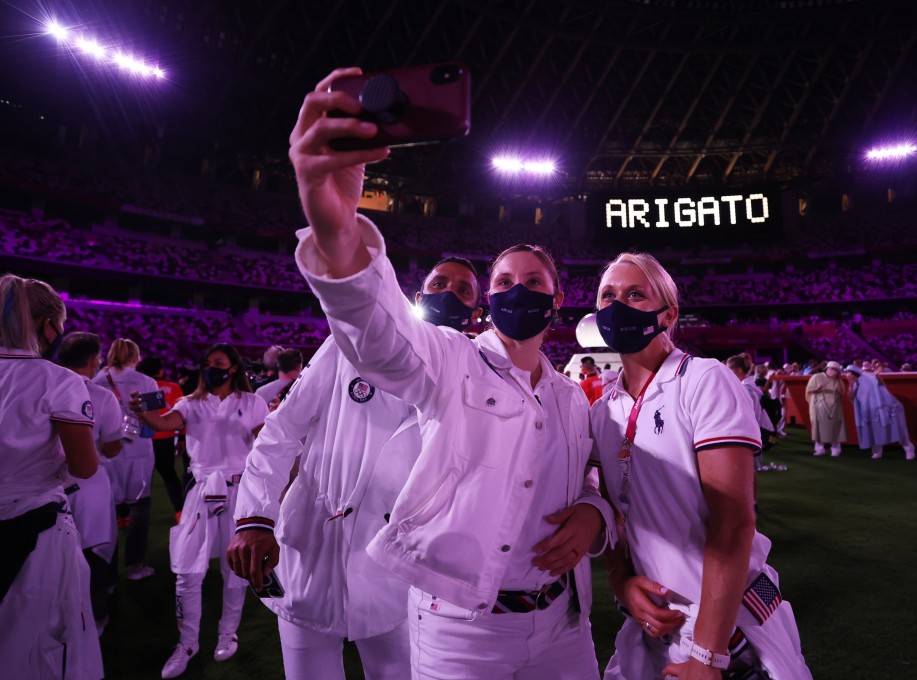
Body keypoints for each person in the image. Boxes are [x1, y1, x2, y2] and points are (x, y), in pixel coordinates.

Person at [284, 67, 615, 680]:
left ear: (558, 299)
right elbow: (379, 334)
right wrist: (337, 229)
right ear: (487, 302)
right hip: (462, 628)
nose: (518, 290)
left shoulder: (572, 397)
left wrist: (596, 511)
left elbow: (589, 478)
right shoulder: (451, 359)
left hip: (565, 624)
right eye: (504, 282)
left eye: (533, 282)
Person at [227, 255, 484, 680]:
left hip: (398, 571)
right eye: (440, 284)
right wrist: (254, 518)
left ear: (475, 313)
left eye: (463, 291)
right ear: (418, 297)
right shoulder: (350, 342)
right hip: (313, 551)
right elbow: (282, 430)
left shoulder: (474, 376)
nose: (449, 295)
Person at [589, 253, 811, 680]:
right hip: (653, 624)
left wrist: (709, 655)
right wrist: (621, 581)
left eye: (635, 295)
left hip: (728, 629)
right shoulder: (603, 410)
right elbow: (614, 516)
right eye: (608, 296)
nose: (618, 305)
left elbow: (734, 522)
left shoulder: (704, 380)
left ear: (668, 314)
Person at [132, 343, 269, 678]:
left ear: (233, 367)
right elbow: (163, 423)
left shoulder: (252, 402)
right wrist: (141, 411)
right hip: (202, 490)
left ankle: (228, 632)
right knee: (187, 570)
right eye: (207, 363)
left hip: (239, 490)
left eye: (218, 362)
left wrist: (274, 423)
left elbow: (265, 440)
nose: (212, 368)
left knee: (234, 567)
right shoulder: (190, 403)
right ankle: (187, 642)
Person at [0, 274, 103, 679]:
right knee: (39, 645)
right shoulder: (59, 380)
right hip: (36, 527)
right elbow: (85, 466)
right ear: (48, 325)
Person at [57, 332, 124, 634]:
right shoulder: (100, 395)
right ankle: (96, 613)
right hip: (88, 481)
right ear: (95, 360)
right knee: (94, 548)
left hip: (43, 482)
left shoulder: (42, 385)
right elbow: (112, 446)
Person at [95, 337, 160, 579]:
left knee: (107, 511)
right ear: (135, 357)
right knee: (140, 507)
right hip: (139, 451)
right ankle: (134, 565)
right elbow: (154, 418)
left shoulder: (96, 380)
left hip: (105, 451)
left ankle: (106, 573)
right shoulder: (146, 381)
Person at [137, 356, 187, 518]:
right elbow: (183, 414)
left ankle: (126, 516)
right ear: (160, 371)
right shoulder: (174, 387)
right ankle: (180, 511)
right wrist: (182, 438)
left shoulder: (139, 387)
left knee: (142, 479)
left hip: (144, 437)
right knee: (170, 475)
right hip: (166, 436)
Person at [842, 364, 916, 460]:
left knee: (896, 428)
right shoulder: (854, 384)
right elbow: (850, 397)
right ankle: (877, 451)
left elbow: (881, 384)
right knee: (873, 430)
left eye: (848, 373)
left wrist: (876, 374)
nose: (846, 375)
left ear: (853, 373)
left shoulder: (869, 378)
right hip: (868, 411)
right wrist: (851, 384)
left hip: (883, 408)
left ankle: (908, 448)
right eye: (846, 373)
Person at [805, 361, 846, 457]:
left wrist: (838, 388)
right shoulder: (817, 377)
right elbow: (808, 390)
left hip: (834, 407)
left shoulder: (838, 381)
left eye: (835, 370)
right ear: (826, 369)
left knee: (835, 427)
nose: (832, 372)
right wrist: (816, 389)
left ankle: (835, 448)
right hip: (819, 406)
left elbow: (842, 393)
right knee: (819, 427)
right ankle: (819, 448)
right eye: (831, 369)